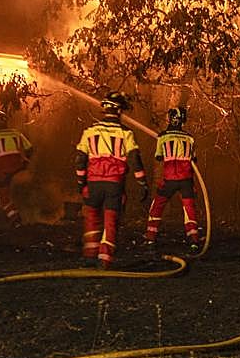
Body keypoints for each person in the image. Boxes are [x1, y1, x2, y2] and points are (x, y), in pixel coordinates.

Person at [74, 93, 148, 268]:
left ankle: (90, 255)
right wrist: (142, 183)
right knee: (110, 220)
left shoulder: (90, 131)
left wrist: (81, 182)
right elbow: (134, 160)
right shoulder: (126, 133)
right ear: (120, 111)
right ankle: (105, 259)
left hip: (93, 183)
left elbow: (80, 159)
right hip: (114, 184)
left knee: (92, 218)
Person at [143, 107, 201, 252]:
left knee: (157, 206)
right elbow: (194, 159)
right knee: (189, 209)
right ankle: (194, 240)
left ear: (169, 119)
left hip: (169, 180)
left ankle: (150, 238)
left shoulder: (162, 137)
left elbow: (158, 156)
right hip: (186, 180)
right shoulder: (190, 138)